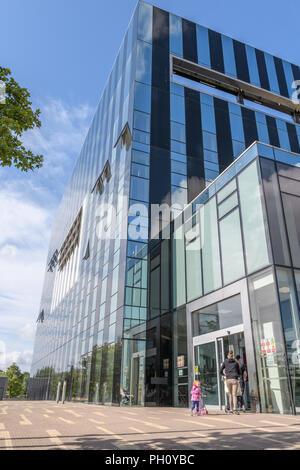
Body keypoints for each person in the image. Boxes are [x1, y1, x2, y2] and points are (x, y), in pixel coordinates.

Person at [220, 350, 240, 415]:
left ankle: (231, 410)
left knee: (230, 395)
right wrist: (237, 376)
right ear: (232, 356)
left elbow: (220, 370)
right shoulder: (236, 362)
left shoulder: (225, 362)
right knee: (234, 395)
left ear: (228, 356)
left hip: (228, 379)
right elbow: (239, 371)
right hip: (234, 379)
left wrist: (224, 374)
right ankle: (235, 409)